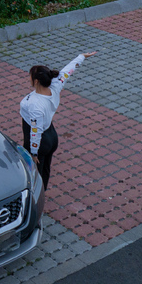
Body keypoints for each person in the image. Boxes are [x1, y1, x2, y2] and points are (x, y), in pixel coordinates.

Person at [19, 51, 97, 189]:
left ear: (36, 81)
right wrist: (81, 57)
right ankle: (43, 191)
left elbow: (35, 131)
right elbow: (67, 71)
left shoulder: (35, 105)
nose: (28, 78)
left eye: (30, 76)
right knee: (45, 169)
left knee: (35, 173)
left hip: (41, 142)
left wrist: (34, 152)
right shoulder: (55, 86)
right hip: (51, 136)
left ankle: (36, 199)